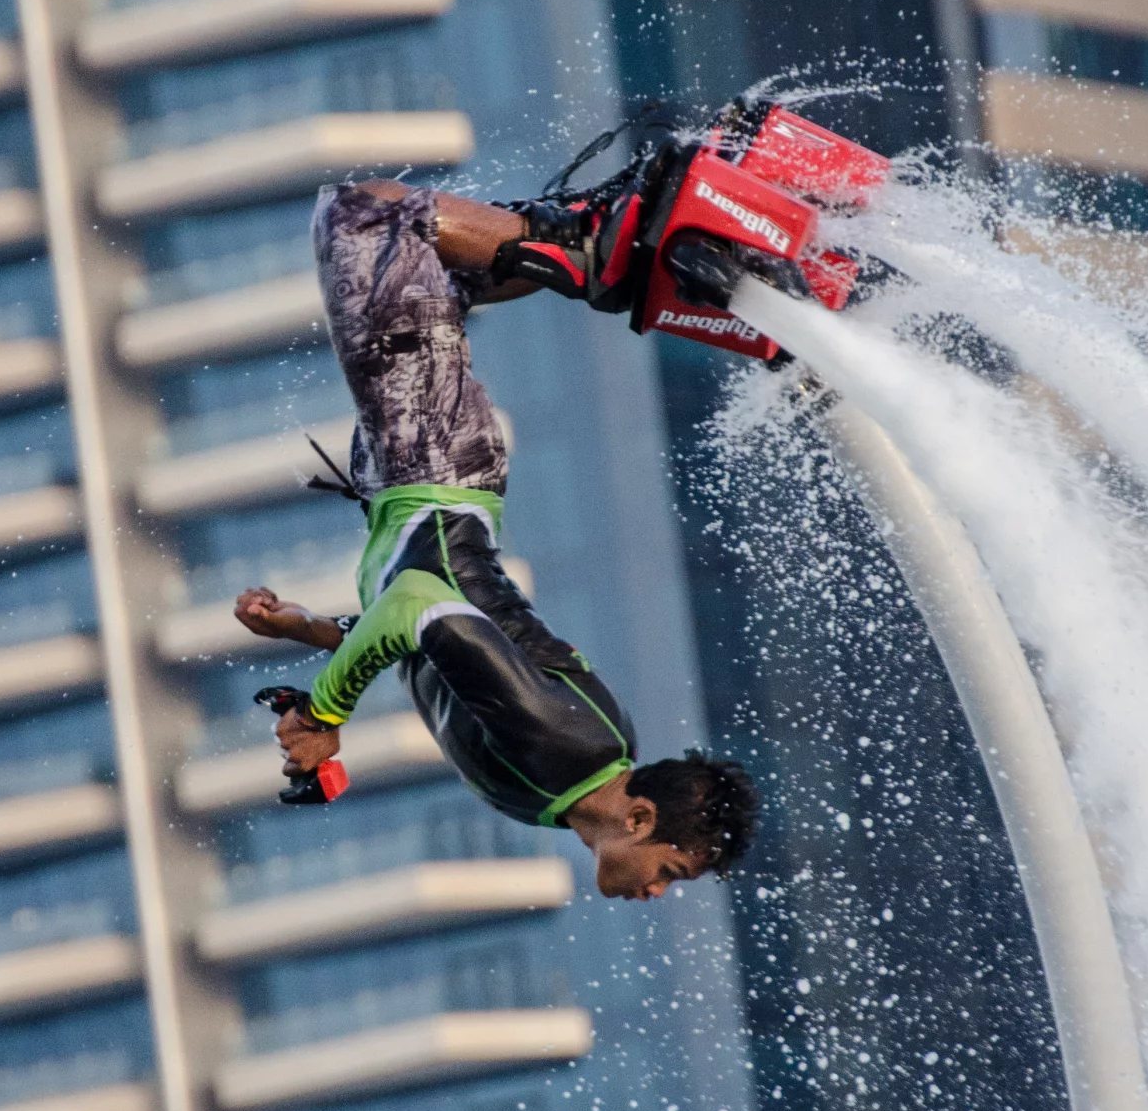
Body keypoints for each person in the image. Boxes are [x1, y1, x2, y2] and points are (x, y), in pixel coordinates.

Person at [234, 178, 759, 902]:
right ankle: (590, 245)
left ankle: (596, 238)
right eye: (670, 872)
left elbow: (438, 643)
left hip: (421, 474)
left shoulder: (549, 796)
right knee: (365, 219)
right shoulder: (567, 750)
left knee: (430, 280)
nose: (656, 893)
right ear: (639, 819)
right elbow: (420, 601)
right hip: (433, 463)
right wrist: (323, 713)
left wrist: (318, 632)